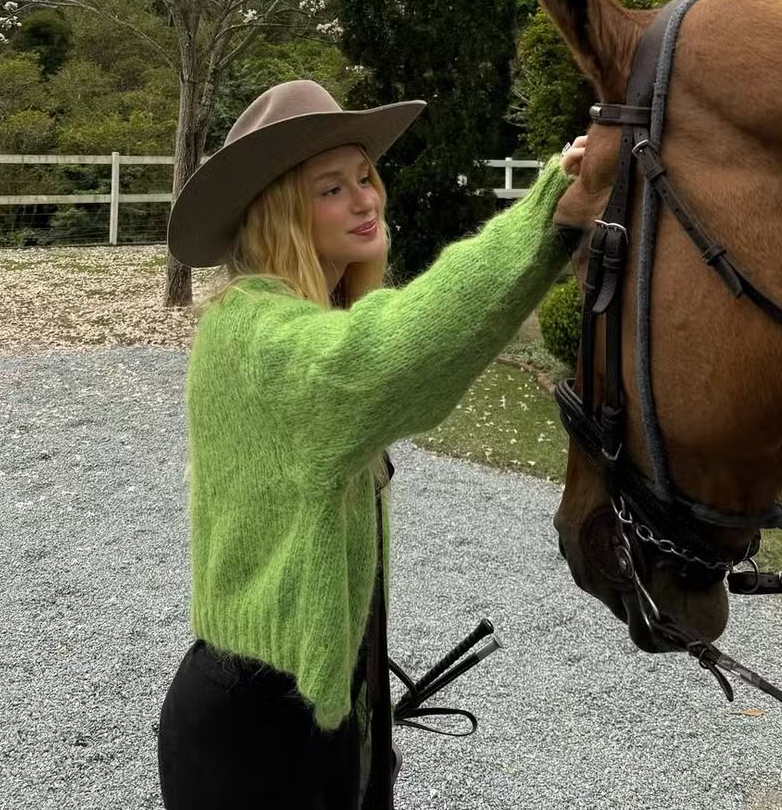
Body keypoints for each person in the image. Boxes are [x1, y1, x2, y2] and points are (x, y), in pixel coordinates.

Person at [156, 79, 587, 809]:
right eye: (331, 187)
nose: (366, 199)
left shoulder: (306, 319)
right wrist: (547, 216)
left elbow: (406, 342)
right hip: (255, 731)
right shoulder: (254, 335)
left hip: (325, 709)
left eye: (365, 176)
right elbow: (401, 347)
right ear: (281, 209)